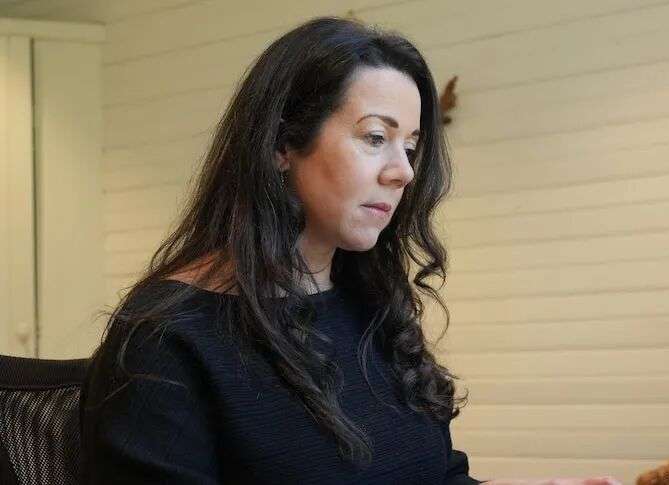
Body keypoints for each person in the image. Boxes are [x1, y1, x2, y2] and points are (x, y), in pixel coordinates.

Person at [79, 16, 621, 485]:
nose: (403, 171)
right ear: (281, 145)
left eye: (410, 147)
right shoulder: (166, 338)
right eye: (374, 138)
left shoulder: (370, 305)